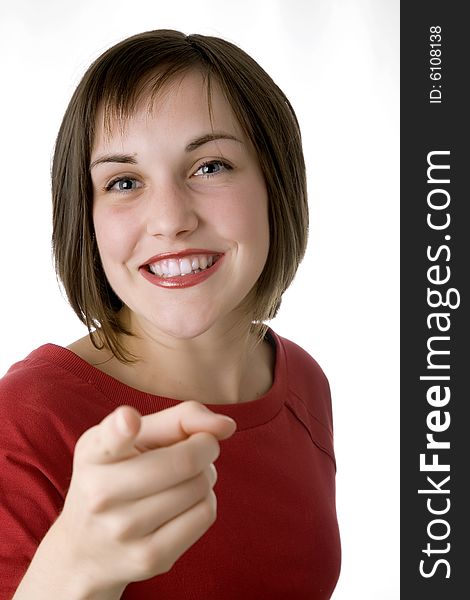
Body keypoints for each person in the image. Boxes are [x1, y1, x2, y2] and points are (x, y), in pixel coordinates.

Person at [0, 29, 341, 599]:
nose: (169, 219)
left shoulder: (303, 382)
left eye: (210, 166)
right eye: (124, 181)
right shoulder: (25, 421)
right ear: (84, 216)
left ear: (274, 182)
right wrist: (74, 569)